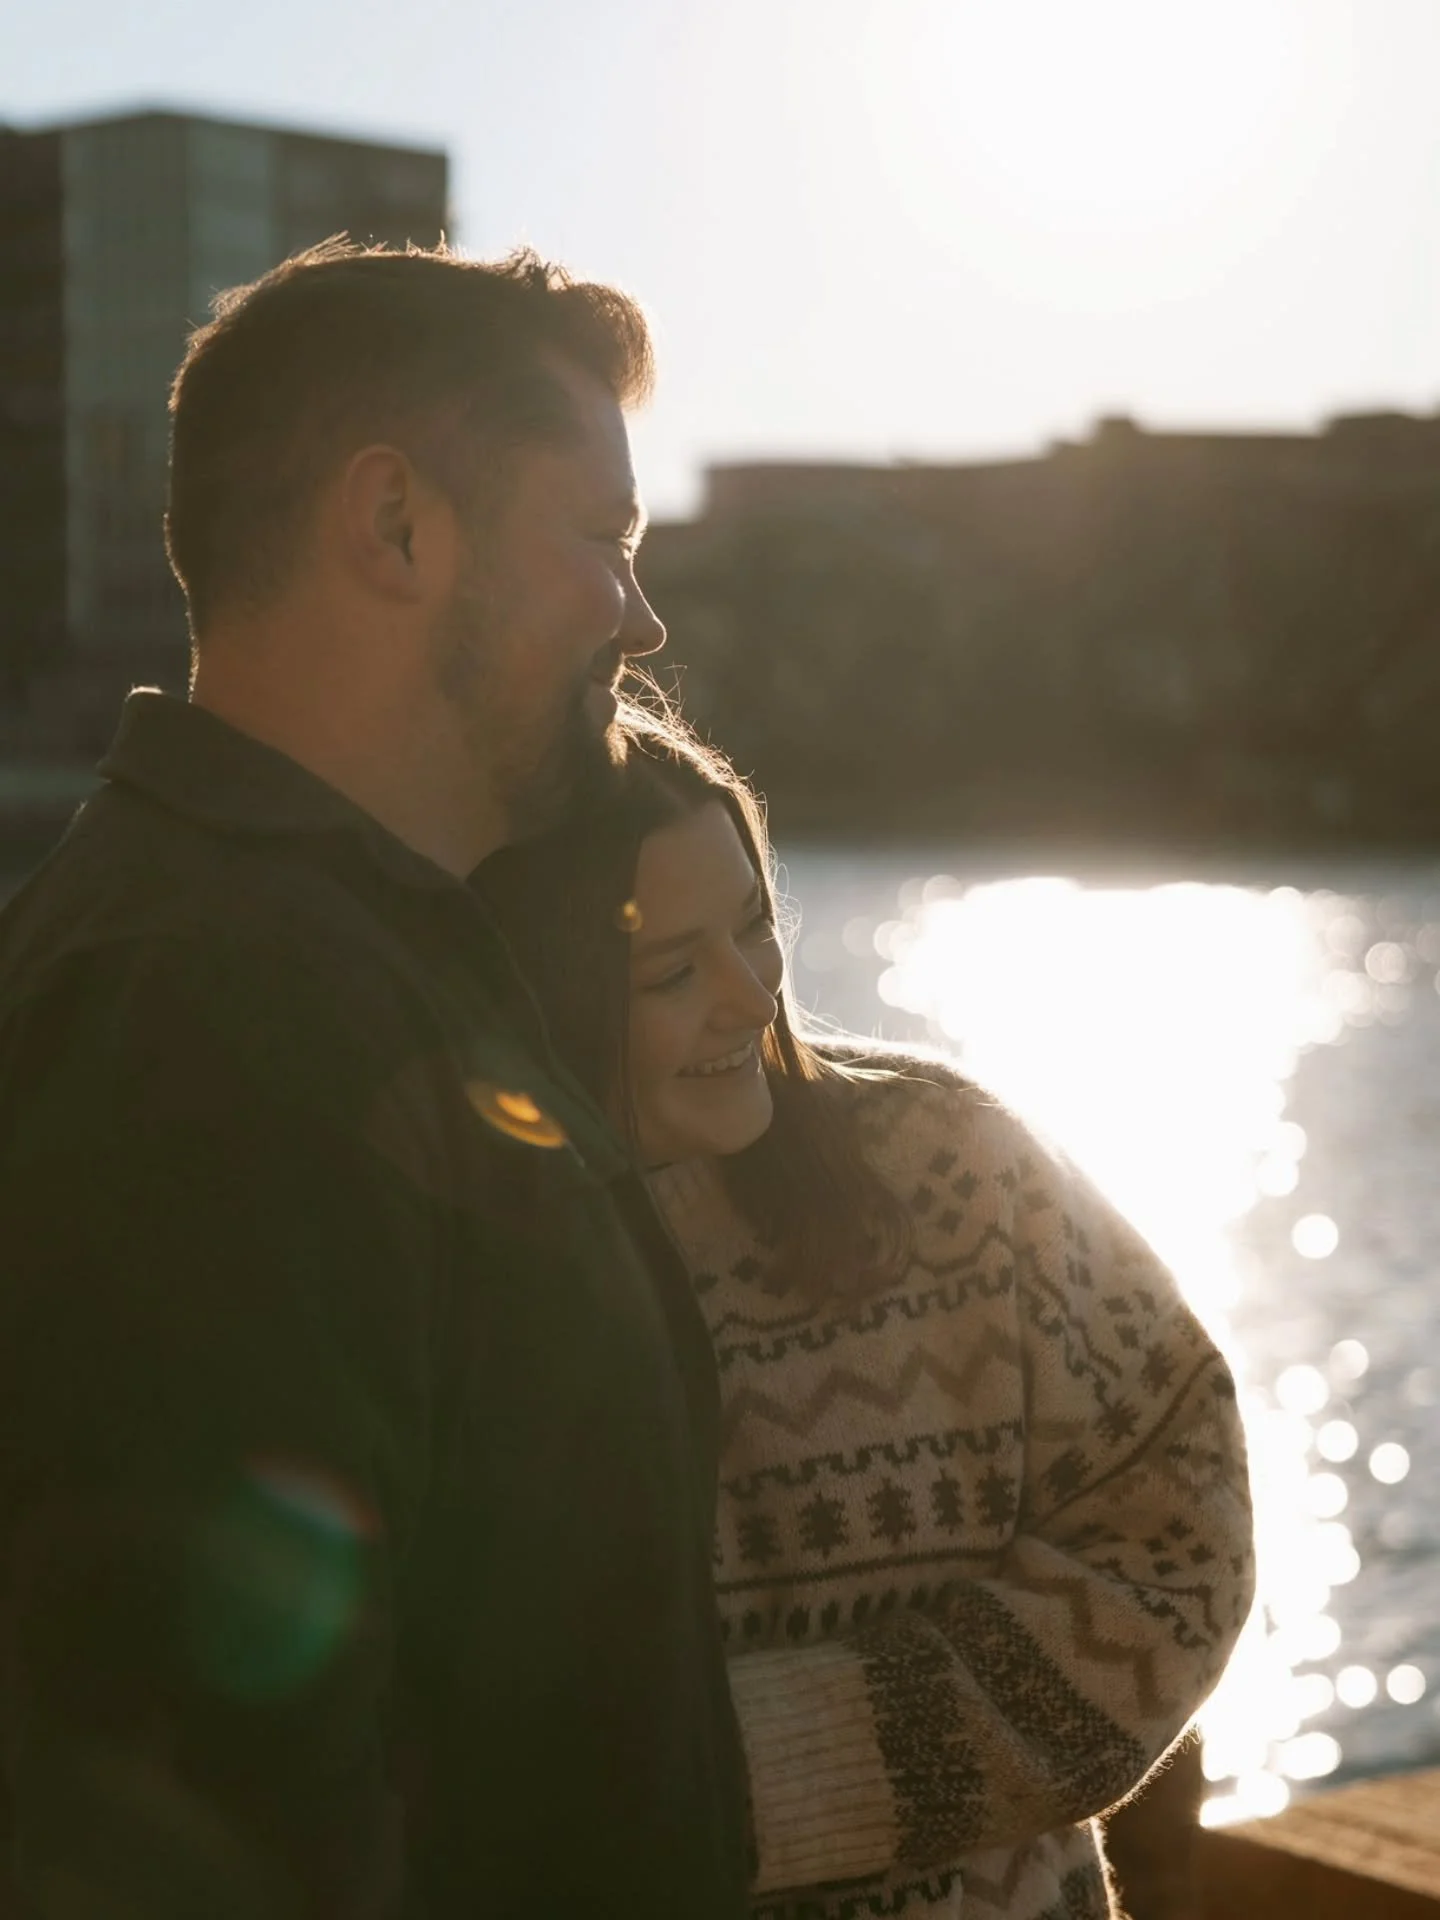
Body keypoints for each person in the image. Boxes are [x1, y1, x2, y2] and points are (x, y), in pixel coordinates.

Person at [0, 245, 752, 1919]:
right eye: (604, 542)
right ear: (398, 526)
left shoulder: (330, 956)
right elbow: (196, 1814)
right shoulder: (204, 1019)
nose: (644, 618)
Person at [476, 706, 1257, 1920]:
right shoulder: (451, 1263)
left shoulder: (953, 1167)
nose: (750, 996)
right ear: (542, 991)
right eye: (674, 971)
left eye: (753, 928)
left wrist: (757, 1781)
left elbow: (1177, 1549)